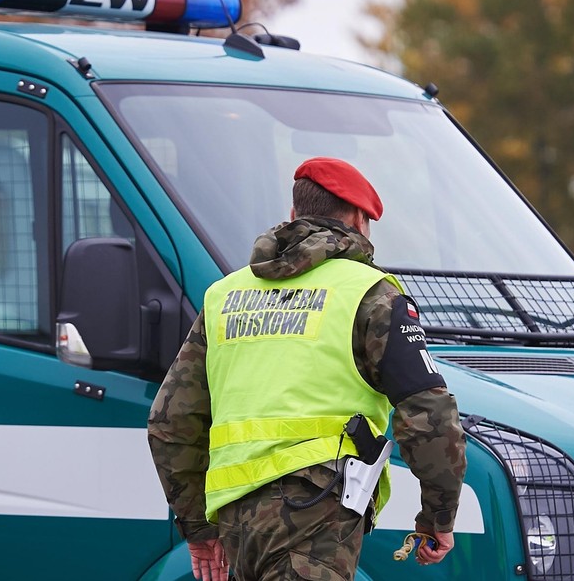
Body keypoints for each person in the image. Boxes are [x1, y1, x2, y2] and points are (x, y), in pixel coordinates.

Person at [147, 157, 467, 581]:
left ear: (295, 214)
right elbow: (430, 415)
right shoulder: (370, 294)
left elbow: (169, 421)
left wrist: (198, 529)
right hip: (317, 511)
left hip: (237, 519)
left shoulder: (224, 296)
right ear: (358, 217)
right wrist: (437, 518)